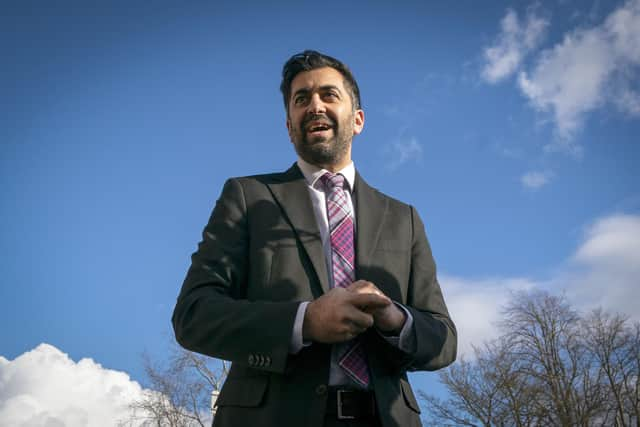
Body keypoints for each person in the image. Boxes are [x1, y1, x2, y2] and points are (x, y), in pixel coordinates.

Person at [172, 50, 457, 427]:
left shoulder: (404, 218)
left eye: (329, 95)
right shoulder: (246, 196)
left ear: (357, 120)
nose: (314, 106)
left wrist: (394, 319)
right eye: (301, 99)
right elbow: (194, 314)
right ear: (289, 126)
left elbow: (444, 338)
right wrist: (303, 321)